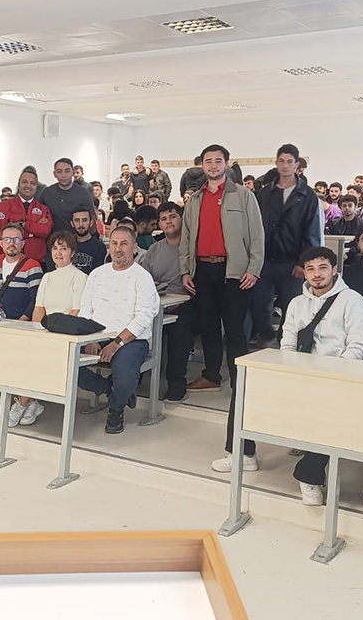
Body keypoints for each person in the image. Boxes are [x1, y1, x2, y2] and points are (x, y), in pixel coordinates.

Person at [179, 144, 264, 472]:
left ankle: (239, 382)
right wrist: (185, 270)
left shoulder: (243, 196)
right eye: (208, 161)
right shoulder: (195, 199)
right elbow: (186, 238)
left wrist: (253, 268)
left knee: (236, 331)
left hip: (233, 272)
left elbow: (257, 236)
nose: (213, 165)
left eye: (218, 161)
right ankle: (212, 375)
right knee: (209, 327)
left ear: (226, 164)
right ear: (202, 165)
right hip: (203, 270)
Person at [281, 246, 363, 506]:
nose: (317, 274)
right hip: (304, 374)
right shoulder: (297, 303)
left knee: (330, 411)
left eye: (323, 268)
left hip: (340, 376)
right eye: (310, 269)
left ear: (335, 270)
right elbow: (287, 343)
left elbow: (360, 344)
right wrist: (291, 372)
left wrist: (335, 374)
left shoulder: (352, 300)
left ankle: (308, 475)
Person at [77, 226, 159, 434]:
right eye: (114, 243)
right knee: (64, 361)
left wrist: (116, 344)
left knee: (125, 374)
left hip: (130, 340)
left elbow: (144, 317)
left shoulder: (142, 277)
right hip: (96, 336)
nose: (118, 249)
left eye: (124, 243)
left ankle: (116, 408)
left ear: (134, 247)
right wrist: (90, 339)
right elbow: (85, 309)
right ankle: (108, 388)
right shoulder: (97, 274)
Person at [250, 143, 320, 348]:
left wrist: (304, 262)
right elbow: (255, 225)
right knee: (259, 302)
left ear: (297, 165)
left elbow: (312, 231)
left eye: (289, 161)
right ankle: (265, 335)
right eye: (281, 161)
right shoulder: (265, 193)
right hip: (265, 259)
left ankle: (284, 342)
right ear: (276, 163)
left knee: (291, 306)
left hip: (292, 260)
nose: (285, 165)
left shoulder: (307, 195)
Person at [140, 202, 197, 403]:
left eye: (172, 217)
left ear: (182, 218)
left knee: (180, 329)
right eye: (163, 219)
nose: (168, 222)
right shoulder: (154, 249)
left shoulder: (193, 247)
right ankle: (132, 378)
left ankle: (176, 384)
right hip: (157, 303)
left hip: (185, 304)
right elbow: (143, 279)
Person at [0, 223, 44, 426]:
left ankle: (26, 402)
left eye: (16, 240)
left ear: (23, 243)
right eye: (7, 239)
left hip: (23, 325)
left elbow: (36, 299)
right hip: (1, 322)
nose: (11, 244)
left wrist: (22, 321)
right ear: (0, 243)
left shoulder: (32, 265)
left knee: (21, 363)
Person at [0, 166, 53, 265]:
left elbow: (45, 231)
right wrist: (34, 231)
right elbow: (2, 232)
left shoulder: (43, 209)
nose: (28, 186)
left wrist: (23, 225)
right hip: (9, 260)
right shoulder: (5, 206)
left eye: (32, 183)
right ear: (18, 184)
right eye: (25, 182)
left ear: (36, 187)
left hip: (37, 262)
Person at [32, 230, 87, 325]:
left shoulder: (80, 277)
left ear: (72, 253)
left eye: (63, 249)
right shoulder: (47, 277)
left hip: (68, 328)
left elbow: (77, 311)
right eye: (55, 248)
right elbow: (39, 309)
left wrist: (58, 327)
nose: (58, 253)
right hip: (46, 328)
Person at [40, 158, 97, 235]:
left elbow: (92, 219)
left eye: (67, 171)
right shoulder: (47, 193)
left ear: (73, 172)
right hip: (52, 239)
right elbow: (38, 215)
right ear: (54, 174)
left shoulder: (83, 193)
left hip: (77, 239)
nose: (63, 175)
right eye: (59, 171)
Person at [70, 206, 107, 275]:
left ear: (91, 222)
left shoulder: (99, 247)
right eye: (77, 220)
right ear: (72, 223)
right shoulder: (67, 245)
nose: (81, 224)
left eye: (84, 220)